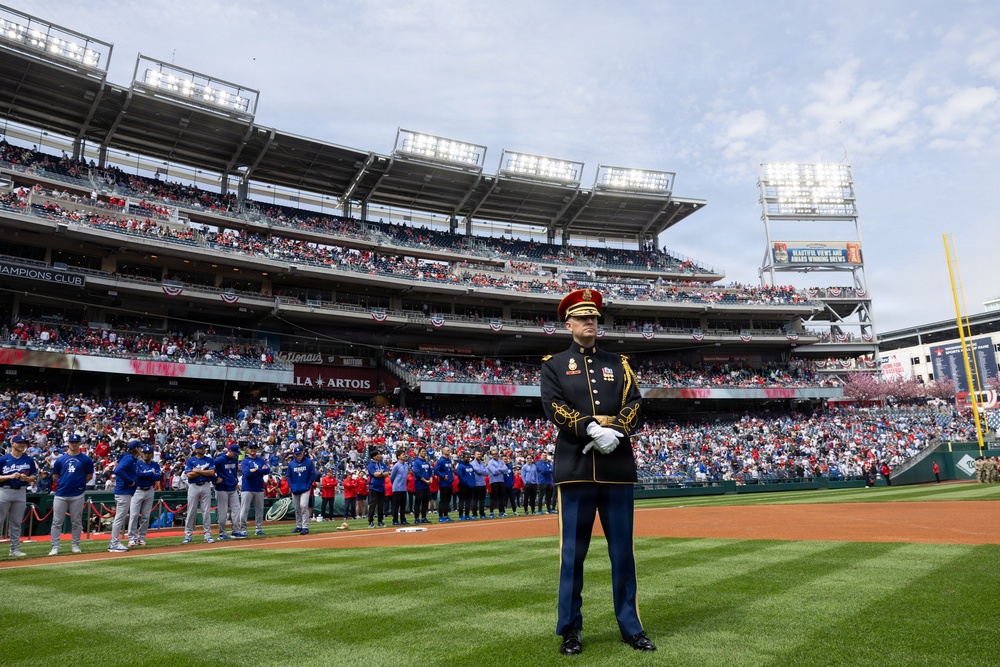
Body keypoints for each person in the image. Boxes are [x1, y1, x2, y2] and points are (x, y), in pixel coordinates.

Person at [540, 288, 655, 654]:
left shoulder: (617, 362)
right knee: (572, 555)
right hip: (575, 468)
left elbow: (636, 402)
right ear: (568, 323)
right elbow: (553, 406)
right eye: (583, 318)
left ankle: (631, 627)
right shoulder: (554, 364)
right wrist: (590, 428)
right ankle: (570, 629)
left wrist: (616, 430)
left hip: (617, 466)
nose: (590, 322)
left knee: (623, 553)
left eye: (594, 317)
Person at [49, 433, 95, 556]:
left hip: (77, 493)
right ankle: (55, 546)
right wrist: (66, 483)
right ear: (68, 443)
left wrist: (78, 484)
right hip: (61, 493)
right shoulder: (60, 459)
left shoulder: (86, 459)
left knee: (77, 521)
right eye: (72, 442)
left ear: (79, 443)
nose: (74, 444)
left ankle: (75, 544)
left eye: (76, 442)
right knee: (57, 521)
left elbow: (89, 476)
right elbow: (55, 476)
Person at [0, 434, 37, 557]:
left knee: (16, 522)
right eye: (20, 442)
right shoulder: (3, 459)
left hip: (21, 491)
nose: (22, 445)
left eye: (24, 443)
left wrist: (26, 478)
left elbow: (34, 476)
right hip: (4, 490)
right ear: (12, 443)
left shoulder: (28, 460)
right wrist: (9, 476)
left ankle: (14, 549)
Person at [108, 439, 141, 553]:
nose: (141, 449)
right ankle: (114, 543)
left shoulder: (129, 458)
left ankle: (113, 542)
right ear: (136, 448)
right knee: (119, 518)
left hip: (124, 491)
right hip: (124, 491)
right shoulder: (129, 458)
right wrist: (130, 481)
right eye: (139, 447)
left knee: (119, 518)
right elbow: (118, 470)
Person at [182, 441, 216, 545]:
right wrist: (202, 471)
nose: (203, 449)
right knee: (191, 510)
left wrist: (198, 471)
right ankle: (188, 535)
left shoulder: (209, 459)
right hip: (194, 486)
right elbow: (189, 475)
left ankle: (207, 535)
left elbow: (211, 472)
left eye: (204, 447)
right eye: (201, 448)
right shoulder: (191, 460)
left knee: (206, 511)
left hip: (206, 485)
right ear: (196, 449)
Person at [127, 444, 161, 547]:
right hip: (138, 490)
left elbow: (158, 477)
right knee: (134, 515)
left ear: (152, 454)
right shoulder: (137, 463)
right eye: (145, 453)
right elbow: (137, 476)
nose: (147, 455)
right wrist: (150, 474)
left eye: (149, 453)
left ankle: (141, 537)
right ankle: (131, 538)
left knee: (146, 516)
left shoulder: (155, 465)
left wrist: (146, 475)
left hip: (150, 490)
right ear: (141, 453)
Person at [237, 442, 270, 536]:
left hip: (259, 487)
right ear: (248, 449)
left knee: (259, 509)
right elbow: (247, 474)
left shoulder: (261, 460)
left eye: (255, 448)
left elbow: (267, 470)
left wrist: (256, 470)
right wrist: (260, 471)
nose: (253, 449)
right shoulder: (245, 461)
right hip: (247, 487)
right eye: (251, 448)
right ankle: (243, 529)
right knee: (244, 509)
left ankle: (258, 529)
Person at [214, 443, 242, 539]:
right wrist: (215, 479)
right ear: (229, 451)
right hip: (222, 488)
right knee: (223, 512)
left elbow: (234, 473)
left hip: (232, 487)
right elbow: (210, 470)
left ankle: (235, 531)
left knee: (237, 509)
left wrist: (236, 483)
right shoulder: (219, 460)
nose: (235, 455)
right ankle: (221, 533)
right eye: (234, 453)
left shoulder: (235, 459)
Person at [287, 445, 317, 534]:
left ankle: (305, 526)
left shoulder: (308, 462)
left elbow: (312, 474)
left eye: (299, 454)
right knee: (297, 508)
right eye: (296, 454)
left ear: (303, 453)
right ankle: (299, 526)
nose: (298, 456)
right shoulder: (292, 464)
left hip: (305, 488)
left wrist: (308, 485)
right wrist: (291, 486)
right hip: (295, 488)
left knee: (303, 506)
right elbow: (288, 476)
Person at [367, 449, 388, 528]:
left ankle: (380, 521)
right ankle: (370, 522)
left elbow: (387, 474)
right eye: (378, 454)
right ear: (374, 456)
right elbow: (375, 474)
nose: (380, 455)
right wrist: (382, 474)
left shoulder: (383, 464)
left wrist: (381, 474)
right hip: (374, 488)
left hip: (382, 487)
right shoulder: (371, 465)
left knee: (381, 505)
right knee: (372, 505)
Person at [411, 446, 432, 524]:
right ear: (419, 452)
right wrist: (425, 480)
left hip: (426, 486)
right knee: (418, 502)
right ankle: (416, 518)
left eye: (425, 451)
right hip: (419, 485)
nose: (424, 453)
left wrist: (430, 479)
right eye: (422, 451)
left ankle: (424, 517)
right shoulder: (417, 462)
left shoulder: (427, 462)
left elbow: (430, 472)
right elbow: (417, 473)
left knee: (425, 502)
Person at [434, 447, 454, 522]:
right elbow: (436, 470)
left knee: (448, 500)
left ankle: (446, 515)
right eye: (447, 450)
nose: (449, 451)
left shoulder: (449, 460)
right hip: (443, 484)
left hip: (449, 483)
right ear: (443, 451)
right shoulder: (441, 461)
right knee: (443, 500)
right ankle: (440, 516)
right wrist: (443, 476)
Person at [390, 448, 409, 526]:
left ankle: (403, 519)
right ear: (398, 456)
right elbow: (392, 477)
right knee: (396, 505)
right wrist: (395, 484)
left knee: (403, 505)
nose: (405, 456)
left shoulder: (406, 465)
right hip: (397, 488)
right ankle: (395, 520)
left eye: (404, 454)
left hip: (404, 488)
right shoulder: (396, 466)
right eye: (403, 455)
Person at [487, 451, 510, 517]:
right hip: (494, 481)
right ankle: (491, 512)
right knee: (493, 498)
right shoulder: (490, 462)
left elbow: (506, 469)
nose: (495, 455)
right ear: (491, 455)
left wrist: (498, 469)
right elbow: (494, 471)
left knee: (501, 498)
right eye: (493, 454)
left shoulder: (501, 461)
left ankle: (501, 512)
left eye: (496, 454)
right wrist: (501, 469)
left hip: (501, 481)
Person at [471, 449, 489, 519]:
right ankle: (474, 514)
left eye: (480, 454)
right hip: (476, 484)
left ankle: (482, 514)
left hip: (483, 484)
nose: (479, 455)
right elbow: (478, 471)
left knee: (482, 500)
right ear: (475, 455)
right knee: (475, 500)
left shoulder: (482, 463)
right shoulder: (472, 463)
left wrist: (483, 471)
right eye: (478, 454)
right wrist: (483, 471)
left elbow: (487, 472)